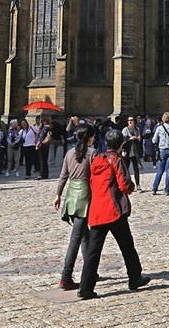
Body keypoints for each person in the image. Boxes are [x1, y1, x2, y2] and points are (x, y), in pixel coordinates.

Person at [78, 129, 150, 300]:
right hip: (114, 210)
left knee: (93, 252)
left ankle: (85, 287)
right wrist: (131, 187)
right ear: (121, 144)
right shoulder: (116, 160)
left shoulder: (97, 159)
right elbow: (124, 184)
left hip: (97, 210)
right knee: (127, 246)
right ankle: (134, 278)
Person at [54, 124, 95, 291]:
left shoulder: (69, 153)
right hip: (85, 196)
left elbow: (63, 176)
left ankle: (90, 271)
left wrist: (58, 195)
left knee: (85, 236)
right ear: (90, 138)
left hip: (72, 197)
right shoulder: (92, 153)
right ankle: (66, 276)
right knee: (76, 239)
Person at [151, 111, 169, 195]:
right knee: (168, 170)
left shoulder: (159, 128)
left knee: (160, 170)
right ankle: (167, 190)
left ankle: (154, 189)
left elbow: (154, 140)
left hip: (162, 150)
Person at [122, 115, 143, 190]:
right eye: (128, 120)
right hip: (127, 152)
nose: (130, 122)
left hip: (135, 152)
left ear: (134, 121)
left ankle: (138, 185)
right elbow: (123, 141)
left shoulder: (137, 129)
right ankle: (126, 185)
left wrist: (138, 138)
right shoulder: (125, 129)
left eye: (131, 120)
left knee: (136, 169)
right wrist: (130, 138)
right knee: (126, 169)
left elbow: (140, 138)